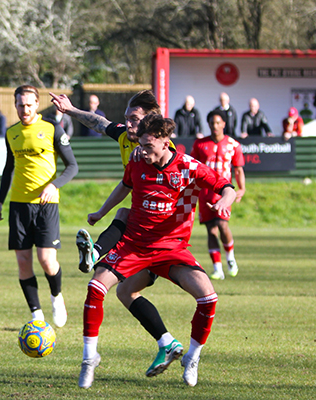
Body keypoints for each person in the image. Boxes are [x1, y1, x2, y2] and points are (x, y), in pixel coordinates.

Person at [77, 113, 236, 388]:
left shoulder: (188, 166)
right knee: (96, 287)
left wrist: (224, 201)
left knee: (208, 298)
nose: (142, 150)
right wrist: (101, 212)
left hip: (172, 248)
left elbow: (226, 187)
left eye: (148, 145)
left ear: (165, 142)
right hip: (134, 245)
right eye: (140, 144)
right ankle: (89, 359)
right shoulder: (137, 160)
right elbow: (124, 186)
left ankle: (192, 357)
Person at [51, 90, 183, 379]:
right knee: (125, 291)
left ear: (150, 122)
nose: (128, 124)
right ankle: (167, 343)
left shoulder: (161, 148)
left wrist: (146, 156)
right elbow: (100, 123)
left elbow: (177, 172)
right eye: (127, 118)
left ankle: (95, 253)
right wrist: (70, 110)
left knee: (124, 217)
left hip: (161, 237)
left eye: (134, 119)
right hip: (139, 230)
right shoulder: (126, 137)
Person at [0, 85, 78, 329]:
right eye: (20, 105)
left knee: (47, 260)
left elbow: (72, 166)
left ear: (37, 104)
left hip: (46, 204)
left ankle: (56, 297)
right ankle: (36, 314)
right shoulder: (11, 133)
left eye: (29, 105)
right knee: (23, 262)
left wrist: (54, 185)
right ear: (15, 105)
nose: (25, 109)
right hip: (19, 205)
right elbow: (8, 169)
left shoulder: (52, 128)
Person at [191, 109, 245, 280]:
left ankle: (230, 258)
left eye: (218, 122)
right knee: (211, 229)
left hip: (223, 192)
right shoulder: (200, 144)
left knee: (222, 225)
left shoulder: (233, 145)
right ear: (208, 124)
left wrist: (241, 188)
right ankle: (217, 268)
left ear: (224, 124)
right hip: (205, 193)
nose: (215, 126)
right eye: (212, 123)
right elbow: (192, 167)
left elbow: (238, 169)